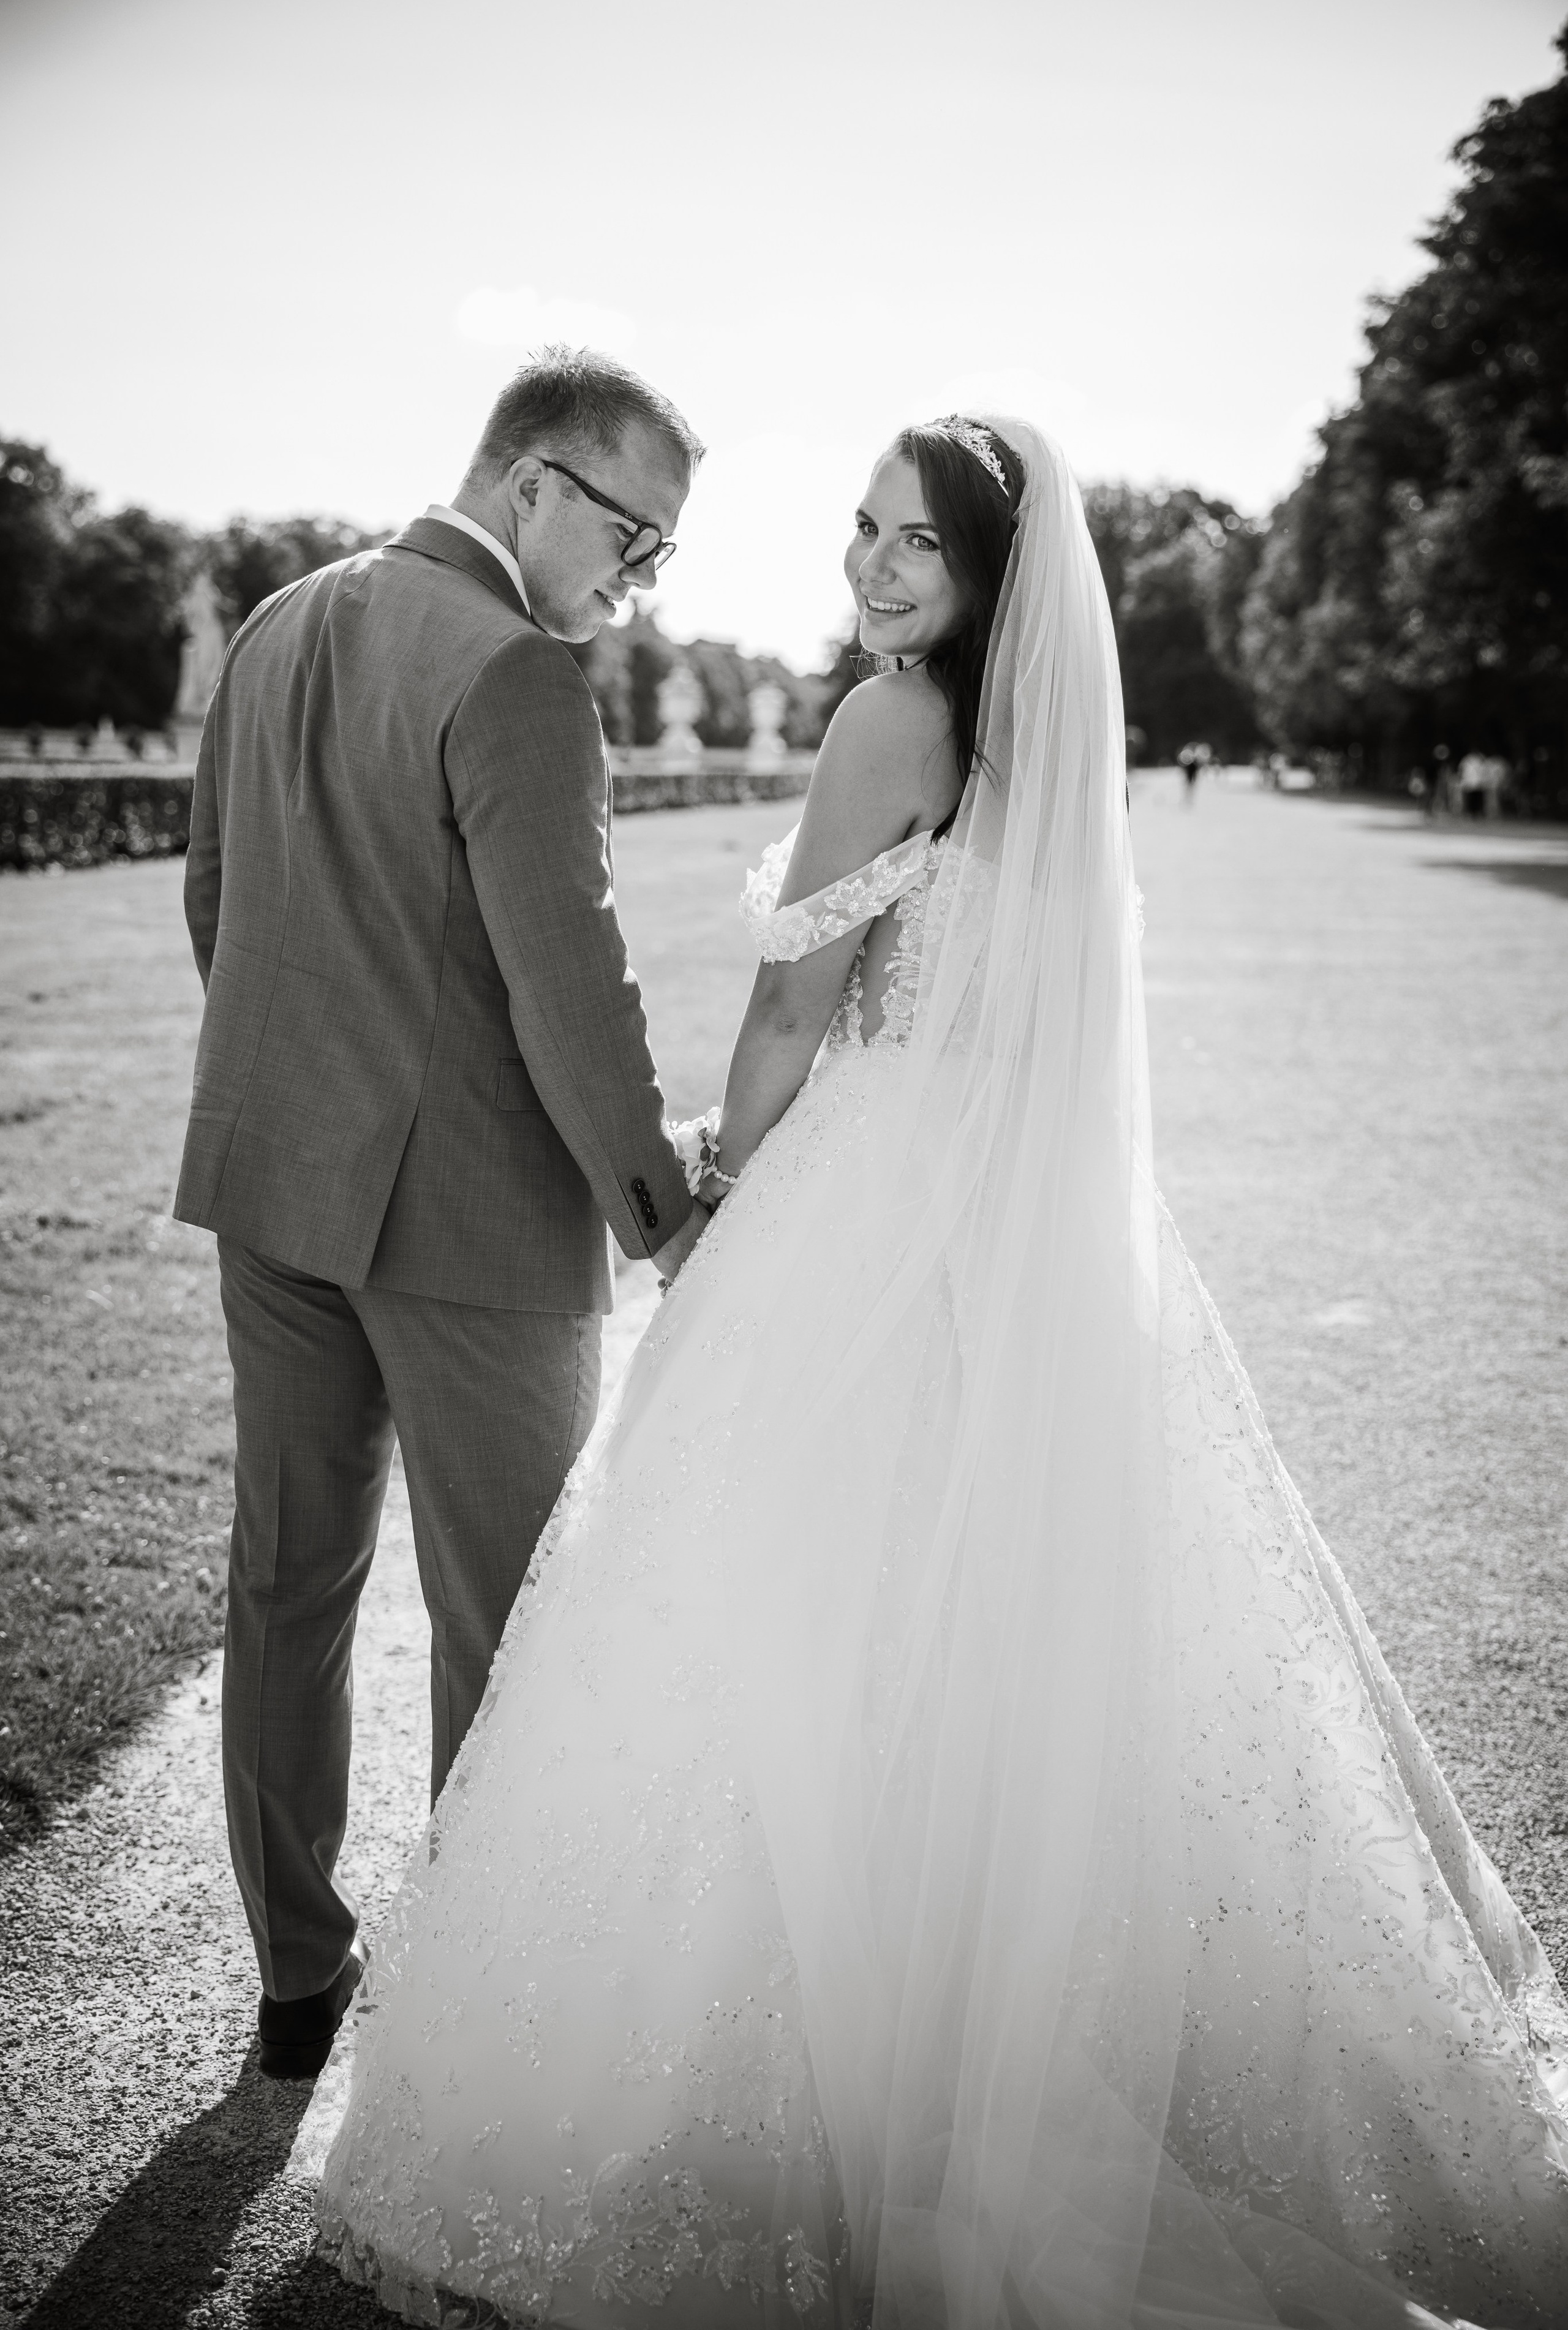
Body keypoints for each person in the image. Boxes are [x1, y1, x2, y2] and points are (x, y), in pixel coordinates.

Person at [314, 419, 1568, 2326]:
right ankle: (993, 2032)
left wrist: (724, 1190)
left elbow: (795, 997)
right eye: (863, 530)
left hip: (866, 1194)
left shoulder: (886, 721)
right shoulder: (1050, 747)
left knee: (801, 1621)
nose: (876, 569)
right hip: (1005, 1212)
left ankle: (816, 2077)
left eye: (916, 543)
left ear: (992, 576)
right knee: (985, 1630)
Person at [175, 348, 708, 2081]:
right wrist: (659, 1206)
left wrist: (295, 1098)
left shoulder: (273, 621)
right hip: (474, 1224)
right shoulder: (523, 675)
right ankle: (475, 2017)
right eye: (635, 535)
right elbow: (574, 989)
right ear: (534, 484)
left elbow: (217, 902)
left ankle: (296, 1987)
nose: (635, 580)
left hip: (277, 1186)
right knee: (514, 1617)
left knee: (287, 1578)